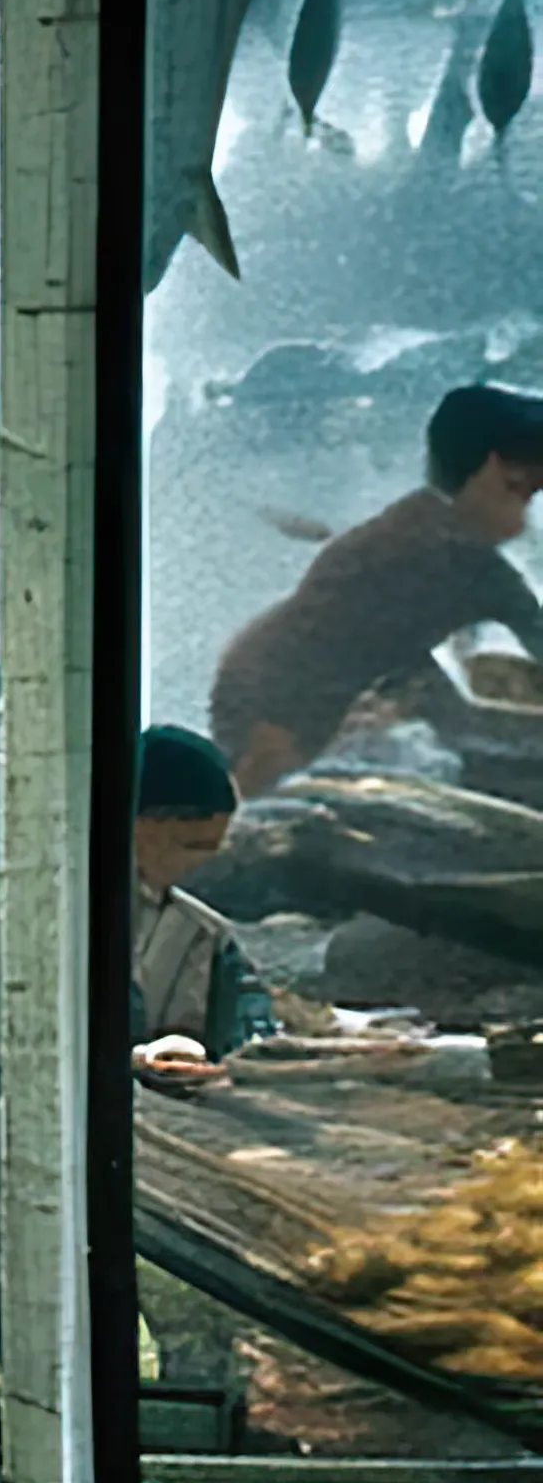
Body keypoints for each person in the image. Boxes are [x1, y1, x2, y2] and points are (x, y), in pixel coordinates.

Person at [207, 382, 543, 794]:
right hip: (278, 710)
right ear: (493, 473)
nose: (527, 518)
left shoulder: (425, 534)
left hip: (278, 697)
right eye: (524, 491)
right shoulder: (435, 553)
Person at [129, 725, 276, 1091]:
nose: (203, 863)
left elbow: (247, 1024)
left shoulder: (205, 934)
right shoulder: (51, 915)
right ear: (141, 825)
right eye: (191, 846)